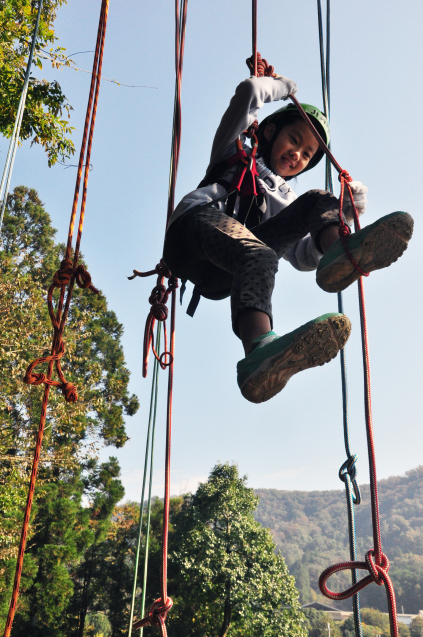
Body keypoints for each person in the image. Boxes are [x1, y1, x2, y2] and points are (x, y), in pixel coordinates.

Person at [163, 56, 413, 404]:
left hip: (224, 271)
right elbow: (250, 92)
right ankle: (259, 346)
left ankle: (343, 250)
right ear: (269, 132)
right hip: (192, 231)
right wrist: (285, 88)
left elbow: (304, 256)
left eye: (308, 154)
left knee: (315, 200)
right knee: (257, 252)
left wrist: (348, 210)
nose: (298, 154)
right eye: (293, 140)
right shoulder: (234, 148)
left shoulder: (284, 194)